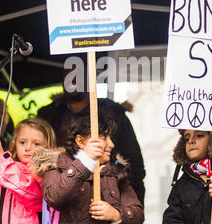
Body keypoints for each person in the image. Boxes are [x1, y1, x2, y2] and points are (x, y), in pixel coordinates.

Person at [37, 65, 146, 206]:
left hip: (106, 200)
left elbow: (133, 163)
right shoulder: (49, 115)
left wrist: (129, 211)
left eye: (78, 76)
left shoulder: (113, 113)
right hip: (63, 201)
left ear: (89, 80)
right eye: (68, 76)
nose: (73, 80)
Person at [30, 111, 144, 224]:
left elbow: (138, 215)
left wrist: (116, 215)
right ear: (80, 141)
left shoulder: (116, 171)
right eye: (104, 137)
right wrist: (85, 161)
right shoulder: (57, 165)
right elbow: (54, 198)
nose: (111, 144)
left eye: (110, 137)